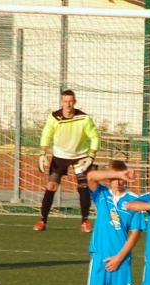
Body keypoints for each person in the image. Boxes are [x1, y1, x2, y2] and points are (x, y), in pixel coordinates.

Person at [78, 161, 142, 285]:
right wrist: (117, 173)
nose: (117, 182)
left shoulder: (133, 200)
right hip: (99, 256)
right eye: (114, 178)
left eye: (120, 179)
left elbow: (135, 233)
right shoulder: (102, 194)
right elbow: (89, 177)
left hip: (121, 259)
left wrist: (120, 257)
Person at [34, 89, 101, 233]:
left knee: (83, 187)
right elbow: (46, 134)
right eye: (65, 101)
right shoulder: (54, 117)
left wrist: (91, 156)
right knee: (51, 185)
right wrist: (42, 153)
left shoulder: (84, 118)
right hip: (59, 156)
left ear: (75, 102)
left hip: (80, 157)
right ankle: (42, 220)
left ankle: (85, 222)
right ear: (61, 102)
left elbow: (95, 137)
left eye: (71, 101)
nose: (68, 104)